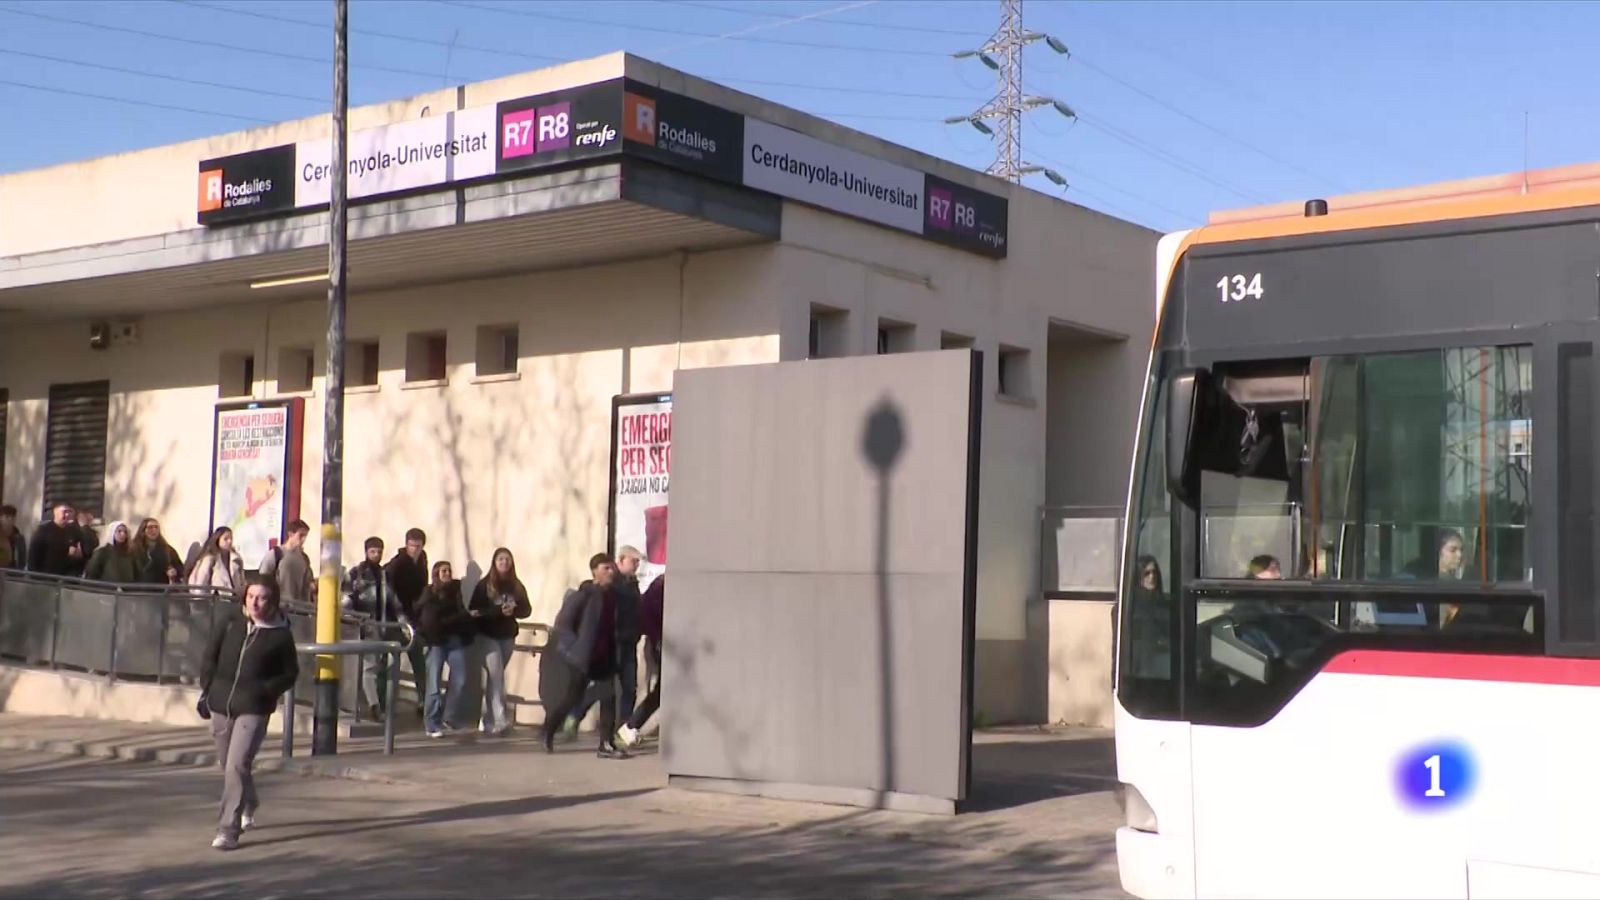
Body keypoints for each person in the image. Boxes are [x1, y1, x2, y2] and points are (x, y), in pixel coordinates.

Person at [198, 574, 298, 851]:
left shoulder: (279, 633)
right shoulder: (230, 621)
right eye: (251, 596)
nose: (255, 602)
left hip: (253, 708)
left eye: (262, 597)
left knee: (237, 764)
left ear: (272, 600)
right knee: (228, 765)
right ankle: (249, 800)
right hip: (221, 703)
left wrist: (266, 691)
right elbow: (210, 656)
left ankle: (227, 830)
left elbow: (290, 673)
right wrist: (206, 690)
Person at [540, 553, 628, 759]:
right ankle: (549, 730)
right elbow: (564, 624)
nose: (611, 572)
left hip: (605, 656)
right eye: (606, 568)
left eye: (612, 568)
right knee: (572, 698)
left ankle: (606, 744)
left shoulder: (615, 596)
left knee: (609, 697)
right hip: (584, 657)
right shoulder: (584, 595)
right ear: (595, 571)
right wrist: (573, 648)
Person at [569, 545, 643, 734]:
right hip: (612, 643)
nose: (636, 565)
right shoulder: (612, 583)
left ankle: (622, 730)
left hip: (628, 643)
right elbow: (589, 590)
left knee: (629, 688)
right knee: (602, 688)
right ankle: (575, 715)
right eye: (633, 561)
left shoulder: (632, 584)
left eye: (638, 562)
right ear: (621, 560)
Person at [342, 536, 408, 719]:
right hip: (363, 627)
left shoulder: (385, 574)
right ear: (366, 552)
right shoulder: (356, 573)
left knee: (379, 667)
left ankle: (378, 704)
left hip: (382, 625)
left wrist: (403, 622)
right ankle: (372, 706)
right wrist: (353, 619)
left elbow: (393, 601)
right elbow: (346, 600)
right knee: (366, 668)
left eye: (379, 551)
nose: (376, 555)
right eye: (373, 551)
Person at [469, 547, 531, 737]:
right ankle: (500, 719)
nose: (504, 563)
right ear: (494, 562)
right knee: (496, 676)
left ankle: (487, 719)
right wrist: (497, 611)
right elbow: (474, 611)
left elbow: (527, 610)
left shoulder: (516, 585)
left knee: (496, 678)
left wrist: (514, 610)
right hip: (487, 636)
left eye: (507, 559)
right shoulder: (484, 585)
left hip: (507, 636)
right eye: (500, 559)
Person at [415, 560, 474, 738]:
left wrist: (460, 618)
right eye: (443, 571)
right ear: (436, 574)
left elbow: (462, 614)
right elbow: (432, 620)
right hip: (435, 642)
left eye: (449, 570)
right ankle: (431, 723)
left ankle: (449, 717)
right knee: (433, 684)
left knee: (460, 679)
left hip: (454, 639)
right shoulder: (429, 593)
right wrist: (457, 617)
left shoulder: (455, 591)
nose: (447, 574)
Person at [384, 528, 431, 716]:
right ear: (406, 544)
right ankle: (387, 702)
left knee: (418, 661)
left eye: (418, 546)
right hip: (398, 618)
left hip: (415, 618)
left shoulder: (422, 562)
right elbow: (390, 591)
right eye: (412, 546)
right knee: (391, 662)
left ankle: (423, 699)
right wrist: (400, 615)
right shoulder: (397, 565)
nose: (415, 550)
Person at [617, 573, 664, 748]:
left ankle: (631, 726)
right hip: (661, 643)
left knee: (662, 691)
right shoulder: (661, 586)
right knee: (662, 690)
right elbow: (650, 614)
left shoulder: (660, 584)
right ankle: (630, 725)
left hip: (660, 642)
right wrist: (657, 638)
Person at [259, 519, 315, 606]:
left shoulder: (304, 558)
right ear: (290, 534)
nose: (303, 539)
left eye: (305, 536)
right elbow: (262, 579)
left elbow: (307, 586)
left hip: (298, 609)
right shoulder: (276, 554)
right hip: (278, 606)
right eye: (301, 535)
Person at [186, 526, 247, 598]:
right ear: (218, 540)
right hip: (216, 599)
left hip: (234, 599)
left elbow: (241, 580)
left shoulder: (236, 559)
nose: (229, 541)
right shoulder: (210, 559)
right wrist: (200, 599)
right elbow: (202, 580)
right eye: (226, 539)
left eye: (231, 538)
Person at [29, 504, 87, 577]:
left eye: (69, 512)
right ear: (55, 512)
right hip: (46, 577)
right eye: (64, 512)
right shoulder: (44, 530)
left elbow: (83, 553)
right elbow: (34, 556)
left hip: (66, 579)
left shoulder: (73, 532)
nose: (67, 515)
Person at [131, 518, 183, 585]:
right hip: (139, 589)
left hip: (161, 589)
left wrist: (174, 571)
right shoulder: (134, 549)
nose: (154, 530)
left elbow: (179, 568)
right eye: (150, 527)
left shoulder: (168, 550)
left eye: (156, 527)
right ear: (143, 530)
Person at [0, 504, 25, 571]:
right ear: (1, 518)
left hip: (13, 574)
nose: (10, 520)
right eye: (7, 517)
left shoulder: (19, 538)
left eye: (13, 517)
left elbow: (22, 560)